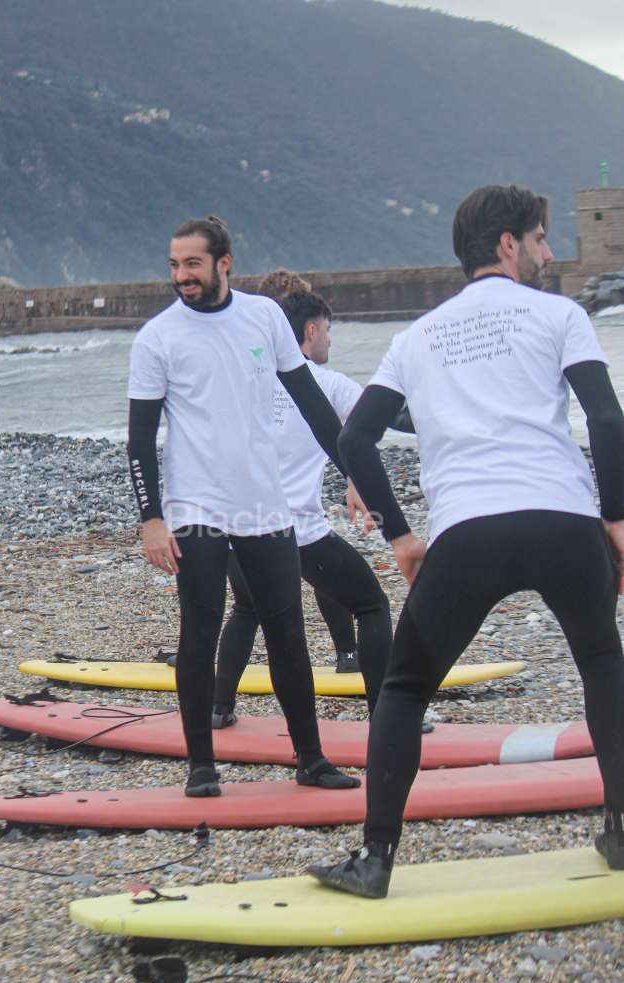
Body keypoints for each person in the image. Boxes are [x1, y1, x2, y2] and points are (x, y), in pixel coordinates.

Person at [308, 184, 624, 898]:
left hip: (469, 530)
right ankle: (621, 830)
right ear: (508, 243)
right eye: (539, 239)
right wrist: (615, 519)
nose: (548, 253)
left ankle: (376, 860)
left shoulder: (416, 337)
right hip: (561, 520)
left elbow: (356, 439)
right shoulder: (560, 314)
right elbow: (607, 420)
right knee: (604, 663)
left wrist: (401, 536)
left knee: (405, 688)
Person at [127, 216, 360, 797]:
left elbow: (311, 403)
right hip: (196, 507)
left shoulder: (264, 317)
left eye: (193, 264)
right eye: (175, 265)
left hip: (264, 504)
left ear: (224, 262)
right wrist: (151, 518)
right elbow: (140, 438)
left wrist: (353, 468)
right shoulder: (158, 337)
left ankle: (311, 760)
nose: (181, 275)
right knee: (200, 630)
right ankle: (201, 766)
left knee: (287, 632)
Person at [212, 271, 393, 728]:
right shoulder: (326, 383)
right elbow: (382, 419)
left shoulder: (245, 381)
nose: (330, 339)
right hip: (297, 532)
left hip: (237, 526)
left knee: (246, 609)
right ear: (310, 331)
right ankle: (386, 713)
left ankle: (218, 708)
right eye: (328, 330)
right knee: (372, 604)